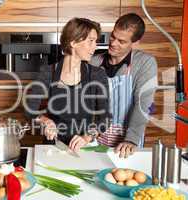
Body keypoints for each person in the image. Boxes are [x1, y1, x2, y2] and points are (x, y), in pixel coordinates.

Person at [24, 17, 110, 152]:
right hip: (53, 146)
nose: (95, 46)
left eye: (96, 41)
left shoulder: (97, 75)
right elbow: (30, 109)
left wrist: (87, 137)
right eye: (91, 41)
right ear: (73, 42)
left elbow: (104, 119)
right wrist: (46, 121)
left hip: (84, 147)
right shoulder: (48, 72)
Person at [90, 13, 158, 158]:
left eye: (121, 41)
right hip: (96, 138)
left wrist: (131, 139)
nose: (113, 43)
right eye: (113, 37)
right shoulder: (93, 62)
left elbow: (142, 103)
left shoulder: (145, 63)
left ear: (135, 43)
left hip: (126, 141)